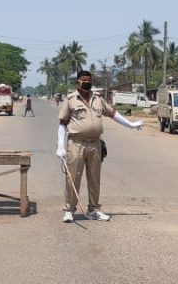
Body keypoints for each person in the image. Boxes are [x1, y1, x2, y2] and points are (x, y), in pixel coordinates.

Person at [57, 70, 145, 223]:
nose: (87, 83)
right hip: (76, 143)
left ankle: (94, 209)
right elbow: (62, 124)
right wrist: (60, 146)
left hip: (95, 144)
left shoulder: (98, 99)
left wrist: (130, 125)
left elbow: (112, 114)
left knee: (94, 178)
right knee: (73, 178)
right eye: (84, 81)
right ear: (77, 82)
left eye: (89, 81)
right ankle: (69, 210)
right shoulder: (70, 100)